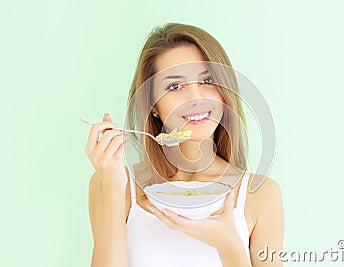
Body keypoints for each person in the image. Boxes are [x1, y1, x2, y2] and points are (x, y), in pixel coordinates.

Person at [84, 23, 284, 267]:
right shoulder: (114, 183)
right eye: (175, 86)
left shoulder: (260, 194)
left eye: (208, 80)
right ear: (153, 105)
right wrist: (113, 184)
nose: (196, 98)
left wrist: (229, 245)